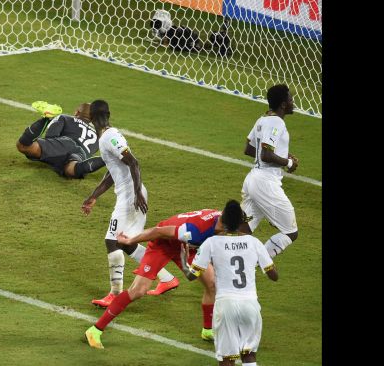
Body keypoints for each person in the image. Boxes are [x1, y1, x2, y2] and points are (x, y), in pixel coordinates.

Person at [84, 202, 242, 349]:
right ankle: (95, 330)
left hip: (188, 248)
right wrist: (131, 240)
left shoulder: (222, 220)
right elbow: (158, 231)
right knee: (138, 290)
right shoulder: (194, 230)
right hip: (163, 244)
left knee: (212, 284)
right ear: (226, 226)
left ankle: (208, 331)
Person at [81, 100, 179, 309]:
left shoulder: (109, 137)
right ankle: (167, 279)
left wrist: (136, 193)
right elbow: (113, 172)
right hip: (130, 193)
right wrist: (94, 195)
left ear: (90, 118)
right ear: (109, 113)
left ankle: (115, 294)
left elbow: (133, 162)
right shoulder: (107, 137)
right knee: (127, 242)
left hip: (130, 196)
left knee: (112, 241)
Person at [184, 200, 279, 366]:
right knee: (249, 355)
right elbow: (274, 276)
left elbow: (192, 276)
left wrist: (185, 262)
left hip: (225, 304)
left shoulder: (211, 243)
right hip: (250, 304)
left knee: (227, 359)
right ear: (243, 221)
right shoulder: (254, 242)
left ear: (223, 220)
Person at [241, 84, 299, 259]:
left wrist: (280, 154)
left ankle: (226, 264)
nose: (292, 102)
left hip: (253, 179)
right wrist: (288, 162)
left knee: (242, 230)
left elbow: (249, 149)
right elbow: (266, 155)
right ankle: (257, 262)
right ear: (283, 104)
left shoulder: (263, 119)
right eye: (290, 99)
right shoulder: (276, 122)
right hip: (266, 183)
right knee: (290, 232)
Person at [16, 100, 106, 179]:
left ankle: (46, 118)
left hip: (65, 143)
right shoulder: (98, 136)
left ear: (77, 112)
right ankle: (107, 158)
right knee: (71, 170)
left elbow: (50, 137)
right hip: (80, 154)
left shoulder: (65, 118)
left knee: (23, 146)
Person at [150, 10, 232, 57]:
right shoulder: (174, 33)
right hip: (187, 39)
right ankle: (222, 37)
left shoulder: (177, 39)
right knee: (211, 39)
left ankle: (223, 43)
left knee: (211, 40)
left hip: (189, 40)